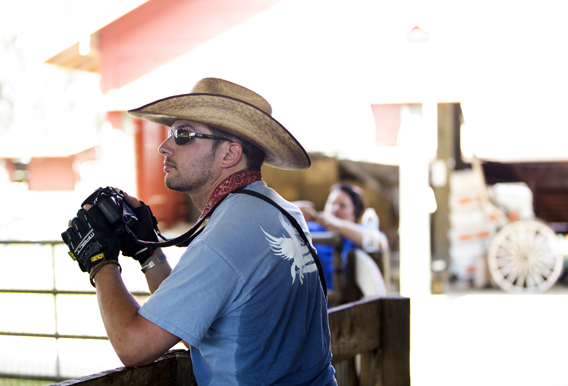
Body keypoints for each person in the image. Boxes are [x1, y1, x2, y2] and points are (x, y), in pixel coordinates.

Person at [61, 78, 337, 385]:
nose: (164, 147)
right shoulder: (281, 211)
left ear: (229, 155)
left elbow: (133, 345)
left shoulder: (225, 237)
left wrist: (101, 262)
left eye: (183, 135)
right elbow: (198, 327)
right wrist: (148, 253)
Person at [295, 183, 388, 291]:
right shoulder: (312, 229)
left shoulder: (356, 234)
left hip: (342, 304)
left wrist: (337, 224)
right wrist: (292, 208)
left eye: (342, 206)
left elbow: (381, 242)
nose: (335, 209)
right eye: (332, 203)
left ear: (355, 214)